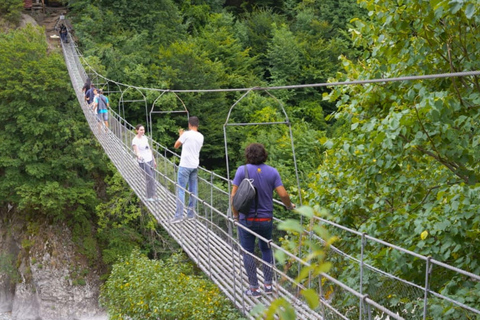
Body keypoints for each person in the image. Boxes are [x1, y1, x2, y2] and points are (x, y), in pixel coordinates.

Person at [231, 143, 295, 297]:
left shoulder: (242, 170)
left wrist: (235, 216)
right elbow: (283, 195)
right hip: (266, 219)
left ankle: (254, 288)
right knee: (266, 249)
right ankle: (268, 285)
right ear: (264, 155)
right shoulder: (272, 172)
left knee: (248, 253)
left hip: (246, 219)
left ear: (248, 155)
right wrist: (289, 206)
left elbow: (234, 197)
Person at [171, 116, 204, 223]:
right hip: (195, 166)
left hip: (185, 165)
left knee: (181, 190)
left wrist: (181, 136)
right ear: (197, 125)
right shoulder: (201, 136)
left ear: (189, 124)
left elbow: (176, 146)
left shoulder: (186, 134)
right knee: (193, 190)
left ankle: (178, 216)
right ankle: (190, 214)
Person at [132, 124, 158, 201]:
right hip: (143, 161)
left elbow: (149, 149)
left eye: (143, 130)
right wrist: (138, 156)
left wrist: (154, 159)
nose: (142, 131)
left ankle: (152, 195)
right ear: (136, 131)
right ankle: (150, 196)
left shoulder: (145, 138)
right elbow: (136, 151)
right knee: (150, 177)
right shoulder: (135, 140)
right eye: (141, 130)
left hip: (150, 159)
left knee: (152, 177)